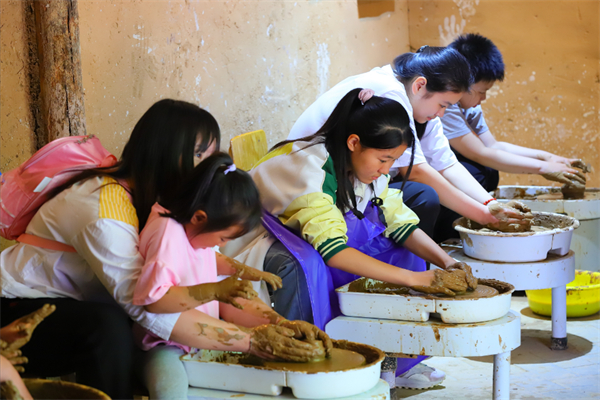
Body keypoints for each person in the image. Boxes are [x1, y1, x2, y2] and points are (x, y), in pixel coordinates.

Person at [1, 99, 325, 398]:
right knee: (108, 329)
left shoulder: (167, 206)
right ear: (164, 152)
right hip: (18, 311)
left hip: (84, 306)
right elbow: (147, 304)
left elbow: (210, 276)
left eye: (210, 156)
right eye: (199, 155)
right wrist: (253, 341)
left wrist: (277, 324)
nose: (206, 167)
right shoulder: (103, 209)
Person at [222, 89, 477, 390]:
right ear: (354, 143)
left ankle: (391, 356)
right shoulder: (308, 168)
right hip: (252, 243)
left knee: (402, 250)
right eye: (383, 159)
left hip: (308, 236)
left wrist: (447, 262)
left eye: (393, 161)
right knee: (305, 264)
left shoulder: (360, 164)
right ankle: (307, 366)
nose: (386, 170)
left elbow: (398, 221)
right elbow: (333, 252)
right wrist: (415, 280)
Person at [133, 152, 330, 399]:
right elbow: (154, 301)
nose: (223, 245)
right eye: (224, 238)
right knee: (170, 389)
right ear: (199, 217)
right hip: (164, 345)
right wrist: (214, 292)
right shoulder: (167, 234)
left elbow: (211, 271)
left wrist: (280, 323)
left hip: (199, 341)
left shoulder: (197, 231)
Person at [288, 46, 531, 243]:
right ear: (419, 85)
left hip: (357, 178)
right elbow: (415, 171)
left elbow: (446, 163)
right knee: (425, 196)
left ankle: (424, 257)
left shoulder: (417, 100)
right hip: (317, 181)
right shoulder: (391, 93)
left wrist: (490, 204)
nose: (442, 113)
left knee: (472, 177)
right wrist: (483, 216)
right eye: (443, 105)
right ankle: (406, 263)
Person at [435, 33, 587, 240]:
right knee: (477, 171)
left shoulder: (469, 105)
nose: (484, 98)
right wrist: (543, 169)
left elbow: (493, 145)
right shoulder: (445, 105)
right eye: (481, 91)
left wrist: (547, 157)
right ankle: (448, 234)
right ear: (461, 82)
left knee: (488, 171)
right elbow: (479, 153)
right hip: (427, 175)